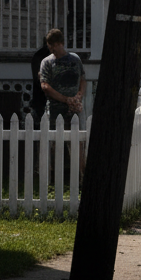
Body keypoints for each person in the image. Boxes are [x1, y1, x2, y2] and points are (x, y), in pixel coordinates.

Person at [39, 28, 87, 179]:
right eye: (50, 45)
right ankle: (53, 178)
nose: (52, 48)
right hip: (55, 109)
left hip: (74, 109)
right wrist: (65, 99)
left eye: (54, 45)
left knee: (77, 143)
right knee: (54, 144)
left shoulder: (75, 59)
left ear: (62, 43)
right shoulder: (47, 62)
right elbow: (45, 86)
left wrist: (79, 96)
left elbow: (83, 79)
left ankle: (81, 176)